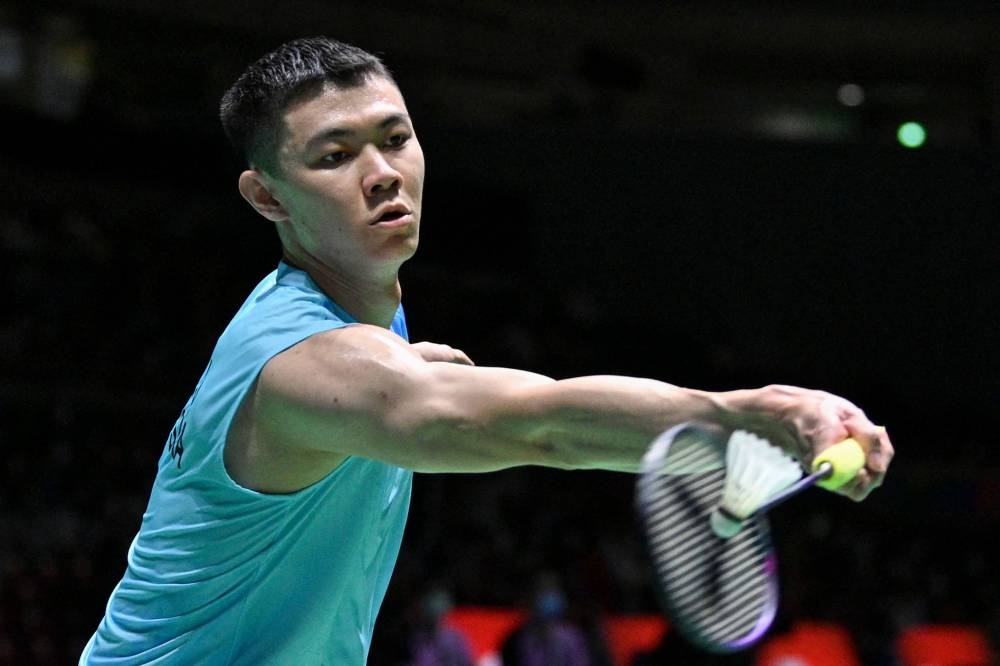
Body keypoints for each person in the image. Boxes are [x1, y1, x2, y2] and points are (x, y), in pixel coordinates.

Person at [79, 36, 894, 664]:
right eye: (334, 156)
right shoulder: (307, 361)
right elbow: (541, 426)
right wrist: (745, 414)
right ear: (266, 197)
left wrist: (410, 368)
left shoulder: (353, 335)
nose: (381, 174)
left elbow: (493, 397)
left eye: (394, 138)